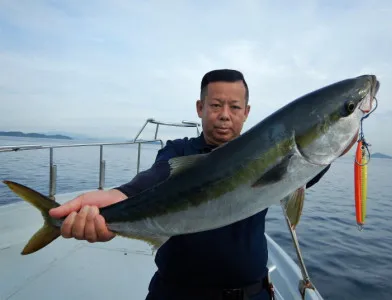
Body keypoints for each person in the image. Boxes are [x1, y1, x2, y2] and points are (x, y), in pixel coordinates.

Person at [49, 69, 331, 300]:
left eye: (234, 107)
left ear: (246, 112)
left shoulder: (268, 154)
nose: (224, 115)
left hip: (250, 294)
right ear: (200, 107)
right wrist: (119, 195)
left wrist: (336, 142)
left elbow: (306, 168)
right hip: (176, 294)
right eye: (216, 105)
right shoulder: (178, 151)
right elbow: (155, 178)